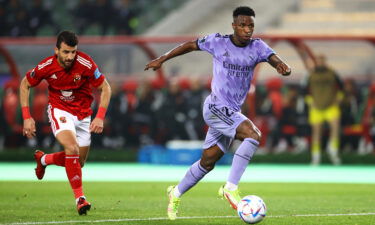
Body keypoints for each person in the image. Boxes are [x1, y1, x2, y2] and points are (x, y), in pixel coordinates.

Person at [145, 6, 291, 220]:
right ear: (234, 26)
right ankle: (230, 187)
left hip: (230, 112)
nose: (247, 29)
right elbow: (190, 45)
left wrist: (281, 66)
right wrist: (162, 58)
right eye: (242, 25)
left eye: (250, 25)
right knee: (253, 134)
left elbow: (273, 57)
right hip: (215, 108)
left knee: (207, 162)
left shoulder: (257, 46)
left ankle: (175, 193)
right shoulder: (218, 42)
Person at [19, 30, 111, 215]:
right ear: (56, 50)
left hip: (83, 115)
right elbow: (24, 84)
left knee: (79, 162)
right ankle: (80, 199)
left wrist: (99, 116)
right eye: (66, 52)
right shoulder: (46, 66)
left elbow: (105, 87)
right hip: (60, 111)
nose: (70, 57)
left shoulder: (86, 63)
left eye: (73, 52)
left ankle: (44, 159)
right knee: (72, 149)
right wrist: (27, 117)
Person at [297, 48, 343, 165]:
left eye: (322, 60)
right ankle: (316, 157)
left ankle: (332, 149)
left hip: (331, 105)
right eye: (318, 60)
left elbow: (341, 86)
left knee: (335, 126)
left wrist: (339, 97)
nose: (320, 62)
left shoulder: (332, 72)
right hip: (316, 106)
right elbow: (302, 90)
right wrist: (309, 101)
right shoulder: (310, 74)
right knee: (316, 132)